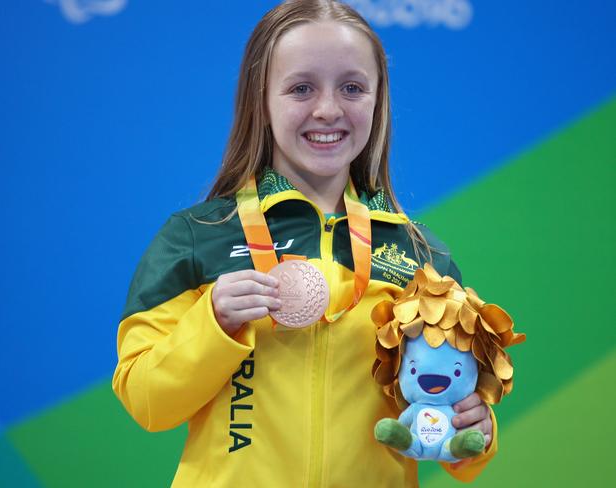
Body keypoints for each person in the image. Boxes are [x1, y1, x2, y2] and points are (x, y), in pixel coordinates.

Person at [112, 1, 496, 486]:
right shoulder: (197, 238)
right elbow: (146, 401)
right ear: (261, 99)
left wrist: (474, 431)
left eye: (352, 88)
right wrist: (214, 326)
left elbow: (447, 410)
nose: (329, 109)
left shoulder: (422, 259)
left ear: (378, 101)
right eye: (301, 88)